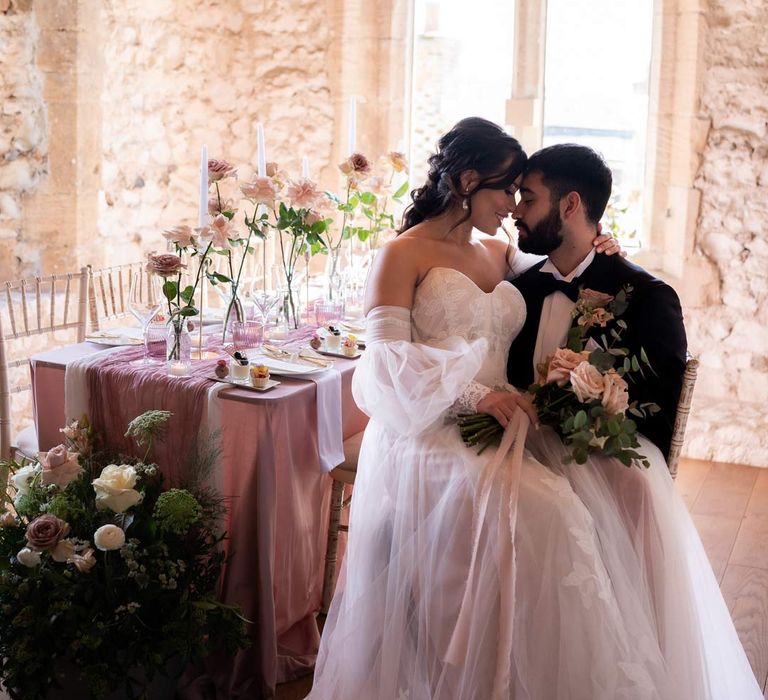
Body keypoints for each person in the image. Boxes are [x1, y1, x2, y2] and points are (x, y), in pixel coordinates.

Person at [307, 118, 762, 699]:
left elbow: (569, 267)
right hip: (429, 427)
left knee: (567, 509)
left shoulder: (501, 254)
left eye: (525, 195)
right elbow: (383, 365)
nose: (514, 207)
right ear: (468, 181)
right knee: (552, 516)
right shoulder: (400, 254)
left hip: (506, 426)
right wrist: (478, 396)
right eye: (508, 191)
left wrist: (600, 246)